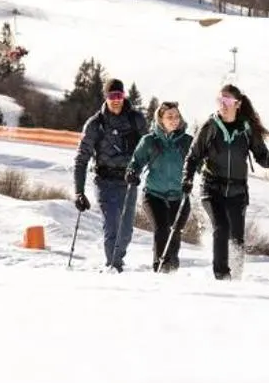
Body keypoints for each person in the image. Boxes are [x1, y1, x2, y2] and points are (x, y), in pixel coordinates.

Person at [182, 82, 269, 281]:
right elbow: (193, 156)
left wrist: (268, 160)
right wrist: (188, 177)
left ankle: (237, 276)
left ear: (238, 103)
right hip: (211, 188)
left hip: (237, 190)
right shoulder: (210, 127)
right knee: (221, 227)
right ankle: (222, 275)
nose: (222, 104)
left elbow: (260, 154)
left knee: (237, 238)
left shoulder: (246, 129)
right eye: (220, 100)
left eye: (227, 100)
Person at [75, 77, 146, 271]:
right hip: (104, 180)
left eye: (119, 95)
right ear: (106, 97)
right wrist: (79, 192)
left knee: (126, 230)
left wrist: (139, 169)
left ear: (124, 96)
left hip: (128, 181)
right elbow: (81, 160)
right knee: (112, 224)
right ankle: (113, 265)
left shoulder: (136, 120)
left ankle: (117, 260)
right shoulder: (95, 124)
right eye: (112, 95)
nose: (116, 99)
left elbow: (147, 150)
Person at [127, 101, 192, 273]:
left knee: (175, 232)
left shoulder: (187, 142)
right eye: (169, 116)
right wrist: (132, 172)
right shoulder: (149, 141)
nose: (174, 120)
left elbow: (199, 163)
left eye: (176, 116)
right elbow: (136, 162)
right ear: (160, 119)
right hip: (154, 195)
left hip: (179, 195)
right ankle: (161, 267)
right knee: (162, 228)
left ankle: (172, 267)